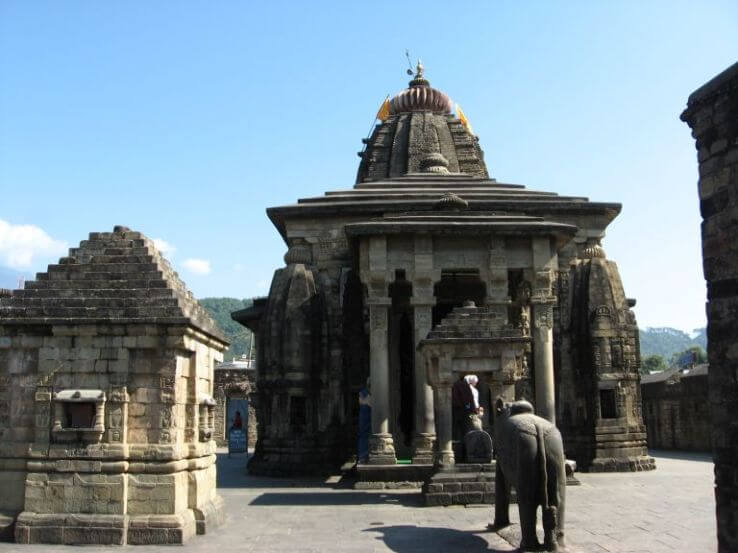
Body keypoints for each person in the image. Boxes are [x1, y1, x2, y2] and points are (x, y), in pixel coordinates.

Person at [357, 378, 371, 463]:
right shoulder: (363, 393)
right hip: (365, 418)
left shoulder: (365, 393)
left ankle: (364, 456)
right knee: (364, 436)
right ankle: (363, 456)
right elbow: (365, 402)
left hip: (369, 418)